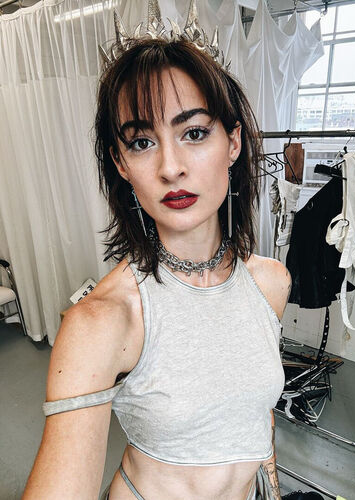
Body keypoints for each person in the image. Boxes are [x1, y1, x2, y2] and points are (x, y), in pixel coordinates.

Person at [22, 3, 291, 499]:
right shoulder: (101, 322)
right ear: (121, 163)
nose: (170, 167)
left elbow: (256, 412)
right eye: (142, 142)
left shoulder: (271, 282)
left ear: (233, 142)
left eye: (194, 133)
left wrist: (270, 483)